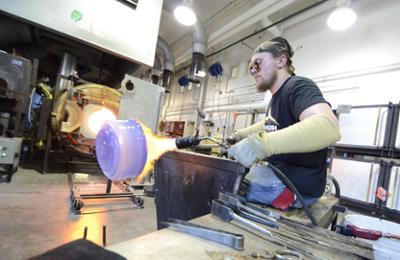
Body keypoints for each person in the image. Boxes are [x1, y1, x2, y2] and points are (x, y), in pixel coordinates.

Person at [227, 37, 341, 210]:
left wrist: (260, 144)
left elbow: (328, 127)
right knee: (228, 176)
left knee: (224, 184)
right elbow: (271, 123)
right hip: (278, 175)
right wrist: (239, 136)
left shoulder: (298, 86)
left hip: (294, 186)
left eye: (257, 63)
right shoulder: (276, 98)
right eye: (251, 67)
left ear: (281, 60)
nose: (253, 71)